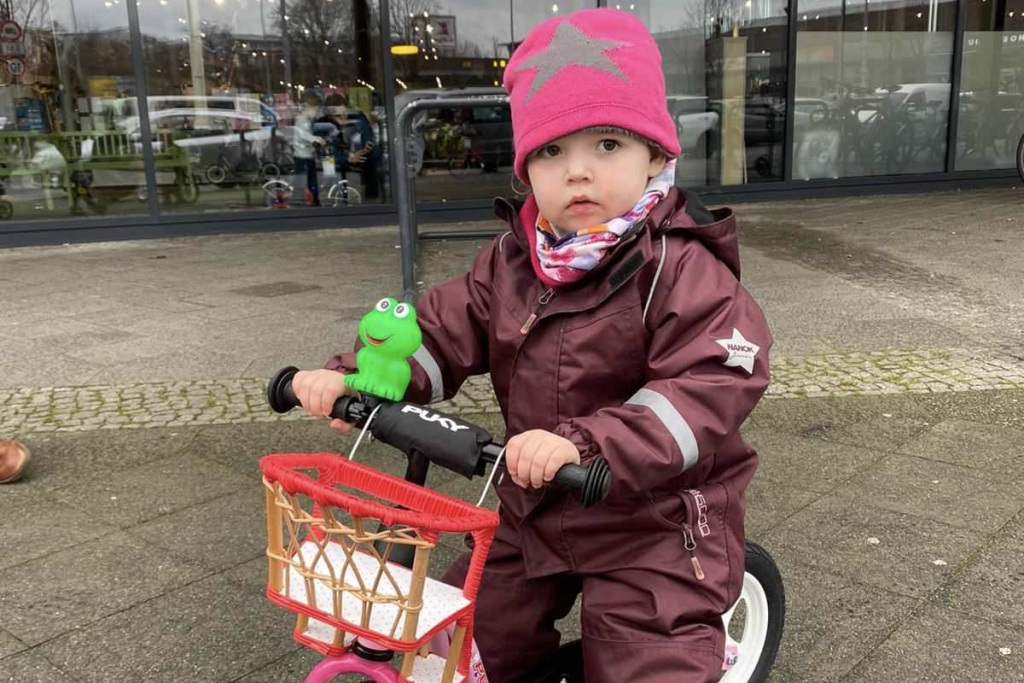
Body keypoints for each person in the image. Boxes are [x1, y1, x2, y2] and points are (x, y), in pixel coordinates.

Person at [289, 8, 771, 683]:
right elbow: (442, 331)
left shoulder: (683, 267)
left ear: (658, 155)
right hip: (535, 501)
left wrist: (587, 444)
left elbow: (709, 381)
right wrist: (357, 378)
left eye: (608, 144)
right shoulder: (514, 260)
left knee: (646, 654)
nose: (577, 172)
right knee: (469, 635)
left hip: (651, 519)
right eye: (551, 151)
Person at [290, 91, 324, 206]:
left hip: (307, 155)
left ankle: (312, 199)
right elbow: (304, 135)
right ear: (307, 108)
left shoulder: (307, 120)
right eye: (315, 109)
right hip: (302, 156)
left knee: (310, 180)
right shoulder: (302, 120)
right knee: (305, 181)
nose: (316, 112)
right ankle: (306, 200)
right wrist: (316, 140)